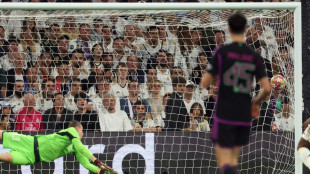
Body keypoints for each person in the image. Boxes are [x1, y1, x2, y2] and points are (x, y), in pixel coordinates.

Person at [201, 13, 271, 174]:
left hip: (225, 110)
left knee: (224, 163)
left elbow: (204, 82)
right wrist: (255, 102)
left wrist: (214, 82)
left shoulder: (221, 52)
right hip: (243, 112)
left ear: (229, 29)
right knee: (233, 162)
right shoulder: (254, 56)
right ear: (246, 29)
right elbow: (267, 88)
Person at [0, 120, 116, 174]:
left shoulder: (75, 147)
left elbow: (86, 164)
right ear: (77, 128)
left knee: (6, 158)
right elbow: (80, 147)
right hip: (30, 142)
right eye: (82, 131)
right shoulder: (71, 131)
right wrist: (98, 162)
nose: (83, 134)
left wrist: (102, 172)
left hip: (32, 157)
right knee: (2, 135)